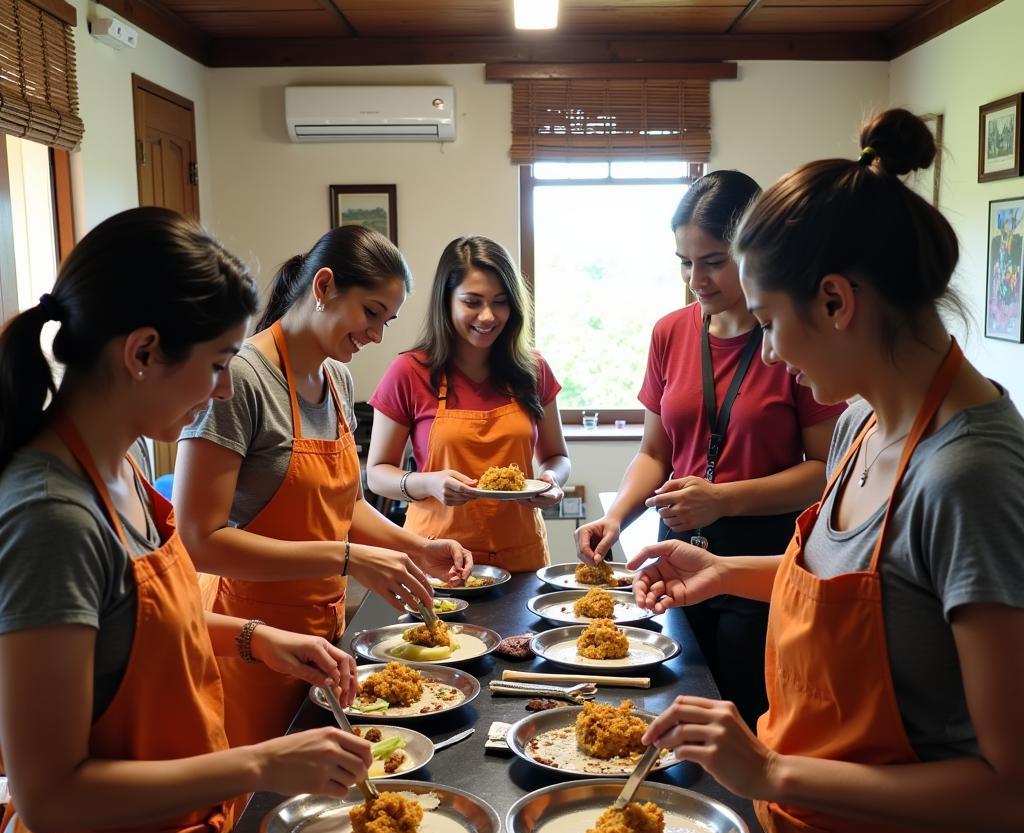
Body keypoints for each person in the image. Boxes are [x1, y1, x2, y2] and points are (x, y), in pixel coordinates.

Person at [634, 110, 1024, 833]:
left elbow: (1011, 787)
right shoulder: (859, 423)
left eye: (770, 321)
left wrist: (771, 775)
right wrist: (727, 574)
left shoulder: (969, 474)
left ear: (838, 301)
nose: (766, 349)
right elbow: (875, 595)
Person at [0, 207, 372, 833]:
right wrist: (259, 765)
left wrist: (252, 637)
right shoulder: (52, 516)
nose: (225, 388)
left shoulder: (126, 463)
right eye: (216, 363)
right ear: (141, 353)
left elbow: (127, 629)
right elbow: (48, 794)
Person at [173, 225, 472, 747]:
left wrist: (417, 549)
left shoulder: (338, 381)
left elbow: (343, 505)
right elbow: (201, 542)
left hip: (322, 633)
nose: (378, 334)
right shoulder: (241, 379)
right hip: (250, 639)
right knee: (253, 805)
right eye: (372, 312)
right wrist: (348, 559)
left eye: (388, 320)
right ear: (325, 285)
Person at [576, 171, 844, 727]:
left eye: (713, 261)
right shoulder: (670, 332)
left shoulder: (788, 336)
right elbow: (655, 452)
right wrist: (617, 517)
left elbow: (824, 473)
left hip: (761, 556)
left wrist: (722, 499)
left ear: (753, 250)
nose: (696, 278)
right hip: (676, 550)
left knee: (746, 715)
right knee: (672, 702)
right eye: (683, 261)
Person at [365, 235, 569, 573]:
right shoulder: (409, 371)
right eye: (472, 302)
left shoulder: (533, 370)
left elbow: (557, 457)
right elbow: (377, 474)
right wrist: (427, 483)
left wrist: (551, 479)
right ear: (446, 301)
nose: (488, 316)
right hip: (437, 559)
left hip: (520, 557)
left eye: (500, 302)